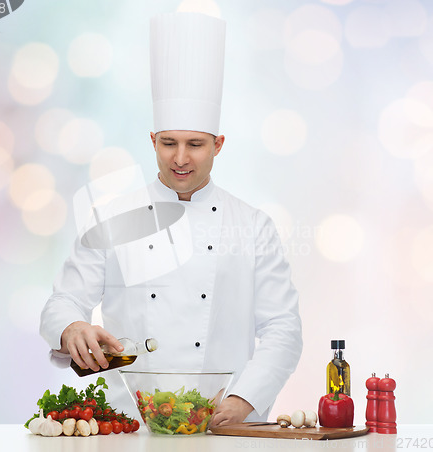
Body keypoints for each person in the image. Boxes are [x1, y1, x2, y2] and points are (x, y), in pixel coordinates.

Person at [40, 12, 302, 426]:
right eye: (169, 143)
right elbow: (63, 301)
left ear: (218, 145)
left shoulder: (252, 226)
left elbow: (283, 329)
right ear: (152, 141)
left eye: (195, 144)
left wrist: (243, 401)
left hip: (223, 422)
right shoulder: (113, 217)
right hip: (130, 423)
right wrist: (71, 325)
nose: (180, 158)